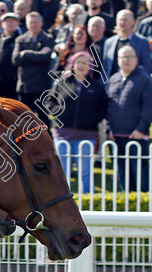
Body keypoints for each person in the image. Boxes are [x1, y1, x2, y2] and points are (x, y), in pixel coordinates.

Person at [46, 51, 109, 194]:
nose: (81, 65)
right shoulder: (61, 82)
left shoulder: (96, 86)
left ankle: (88, 200)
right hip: (62, 135)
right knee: (63, 172)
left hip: (86, 135)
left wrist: (94, 118)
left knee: (85, 170)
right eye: (78, 62)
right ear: (72, 65)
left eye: (85, 63)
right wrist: (58, 112)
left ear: (90, 67)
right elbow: (49, 101)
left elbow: (104, 106)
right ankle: (62, 202)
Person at [107, 46, 152, 191]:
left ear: (136, 60)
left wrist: (141, 129)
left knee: (140, 174)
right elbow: (108, 107)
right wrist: (109, 129)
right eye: (123, 57)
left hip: (136, 136)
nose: (126, 60)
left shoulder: (144, 79)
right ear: (118, 60)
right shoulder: (113, 79)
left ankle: (142, 206)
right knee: (122, 172)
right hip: (116, 135)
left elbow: (150, 107)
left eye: (129, 57)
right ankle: (126, 202)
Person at [12, 12, 54, 124]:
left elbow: (45, 57)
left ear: (41, 23)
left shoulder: (47, 39)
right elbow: (15, 59)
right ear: (26, 24)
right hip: (24, 87)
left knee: (43, 120)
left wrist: (26, 53)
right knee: (24, 121)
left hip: (41, 88)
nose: (33, 25)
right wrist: (37, 56)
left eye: (36, 22)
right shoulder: (20, 39)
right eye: (31, 22)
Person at [102, 10, 152, 78]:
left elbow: (146, 68)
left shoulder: (142, 42)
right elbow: (105, 68)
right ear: (116, 21)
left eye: (125, 20)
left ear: (133, 21)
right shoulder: (109, 42)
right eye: (120, 20)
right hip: (112, 85)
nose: (123, 23)